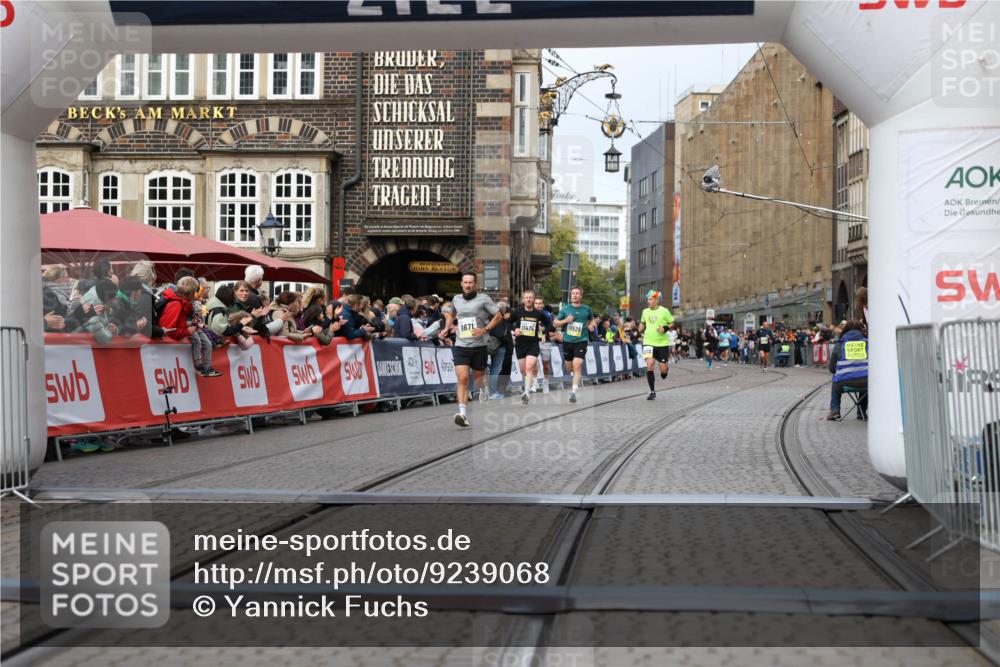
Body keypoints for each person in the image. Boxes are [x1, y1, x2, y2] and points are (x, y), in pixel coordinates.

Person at [443, 272, 502, 427]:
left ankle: (483, 388)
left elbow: (498, 316)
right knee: (462, 378)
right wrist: (446, 327)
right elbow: (451, 314)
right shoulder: (456, 299)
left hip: (479, 345)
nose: (468, 285)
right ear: (461, 284)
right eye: (465, 282)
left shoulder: (483, 299)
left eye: (471, 282)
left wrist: (485, 329)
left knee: (477, 380)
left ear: (475, 284)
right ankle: (462, 413)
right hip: (461, 345)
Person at [158, 276, 221, 377]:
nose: (195, 295)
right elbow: (170, 330)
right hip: (166, 352)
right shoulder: (176, 304)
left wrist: (190, 324)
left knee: (204, 342)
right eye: (194, 292)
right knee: (198, 341)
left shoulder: (180, 302)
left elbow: (175, 323)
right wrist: (188, 330)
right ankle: (199, 366)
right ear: (190, 292)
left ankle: (203, 367)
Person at [554, 286, 596, 404]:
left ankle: (573, 392)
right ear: (571, 295)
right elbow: (555, 323)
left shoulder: (586, 309)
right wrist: (566, 321)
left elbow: (592, 320)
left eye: (577, 293)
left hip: (581, 341)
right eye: (573, 293)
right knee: (570, 367)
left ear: (581, 296)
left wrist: (592, 325)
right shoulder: (565, 309)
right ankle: (575, 378)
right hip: (567, 342)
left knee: (577, 365)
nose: (575, 295)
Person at [510, 290, 552, 405]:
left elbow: (549, 325)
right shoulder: (517, 312)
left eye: (531, 298)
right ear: (523, 300)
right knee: (523, 370)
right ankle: (529, 384)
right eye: (526, 298)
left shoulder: (538, 314)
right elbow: (507, 322)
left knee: (529, 368)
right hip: (520, 344)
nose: (529, 299)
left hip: (533, 344)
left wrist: (544, 332)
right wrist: (515, 329)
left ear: (533, 300)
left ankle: (526, 392)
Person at [825, 320, 869, 421]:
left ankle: (835, 410)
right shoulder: (868, 343)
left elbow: (832, 369)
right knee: (866, 382)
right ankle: (861, 411)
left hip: (844, 382)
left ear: (845, 331)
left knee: (835, 382)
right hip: (866, 382)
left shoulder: (839, 345)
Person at [638, 290, 674, 400]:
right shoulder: (645, 311)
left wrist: (665, 328)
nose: (648, 301)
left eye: (650, 299)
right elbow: (643, 322)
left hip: (662, 343)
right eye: (648, 299)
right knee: (650, 365)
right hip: (648, 342)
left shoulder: (664, 311)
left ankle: (665, 371)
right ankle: (652, 391)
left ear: (656, 300)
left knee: (663, 370)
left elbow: (672, 323)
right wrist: (640, 328)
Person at [205, 284, 255, 350]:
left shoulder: (211, 305)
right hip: (214, 347)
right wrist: (241, 324)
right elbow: (225, 331)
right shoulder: (218, 311)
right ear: (228, 298)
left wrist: (241, 327)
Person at [73, 278, 120, 344]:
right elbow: (103, 339)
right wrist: (110, 331)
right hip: (81, 348)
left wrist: (113, 329)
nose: (115, 299)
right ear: (107, 298)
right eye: (114, 297)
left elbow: (103, 326)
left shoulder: (99, 300)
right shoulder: (93, 308)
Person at [487, 300, 511, 399]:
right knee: (496, 369)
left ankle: (490, 391)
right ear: (503, 310)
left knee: (491, 369)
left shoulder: (489, 317)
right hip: (499, 346)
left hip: (490, 345)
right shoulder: (499, 318)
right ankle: (493, 392)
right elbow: (500, 334)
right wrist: (506, 339)